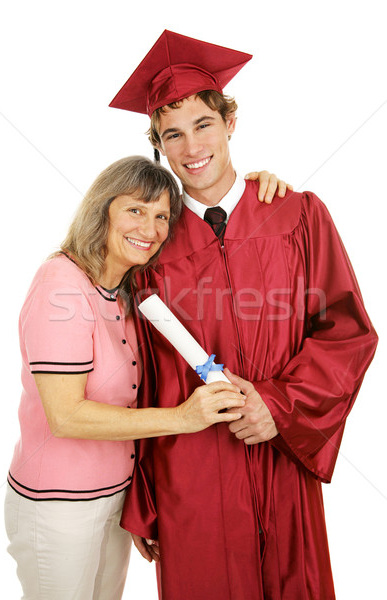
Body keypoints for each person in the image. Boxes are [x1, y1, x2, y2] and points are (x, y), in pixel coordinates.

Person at [109, 31, 378, 599]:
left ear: (230, 121)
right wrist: (146, 495)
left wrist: (278, 407)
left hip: (280, 456)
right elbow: (139, 377)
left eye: (203, 124)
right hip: (192, 476)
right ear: (159, 145)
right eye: (171, 135)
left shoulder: (297, 216)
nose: (190, 147)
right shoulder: (150, 245)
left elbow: (346, 332)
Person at [5, 155, 262, 600]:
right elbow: (67, 417)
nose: (150, 228)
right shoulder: (60, 284)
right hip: (59, 510)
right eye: (136, 210)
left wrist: (254, 193)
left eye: (162, 216)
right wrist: (184, 417)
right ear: (102, 209)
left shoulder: (126, 294)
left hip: (112, 502)